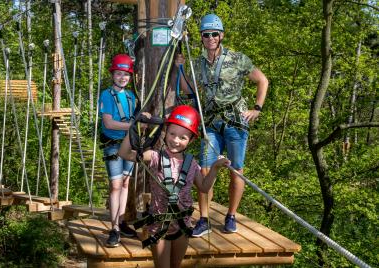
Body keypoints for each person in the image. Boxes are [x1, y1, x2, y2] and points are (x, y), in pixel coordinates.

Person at [175, 14, 269, 237]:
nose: (210, 38)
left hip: (235, 122)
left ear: (221, 35)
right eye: (206, 35)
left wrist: (257, 108)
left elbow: (262, 80)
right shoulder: (196, 64)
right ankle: (204, 218)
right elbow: (189, 91)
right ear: (201, 37)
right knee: (205, 169)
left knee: (236, 170)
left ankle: (231, 215)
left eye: (214, 34)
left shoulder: (237, 59)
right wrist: (179, 70)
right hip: (210, 124)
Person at [118, 105, 230, 268]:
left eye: (183, 137)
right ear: (165, 132)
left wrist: (215, 168)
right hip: (159, 228)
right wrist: (135, 126)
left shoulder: (191, 164)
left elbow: (204, 188)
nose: (176, 140)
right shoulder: (154, 157)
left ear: (191, 140)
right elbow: (124, 153)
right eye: (172, 134)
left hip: (183, 227)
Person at [100, 54, 138, 247]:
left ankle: (121, 222)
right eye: (119, 73)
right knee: (115, 185)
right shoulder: (106, 95)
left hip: (129, 144)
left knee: (125, 183)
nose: (122, 77)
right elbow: (108, 122)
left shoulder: (131, 96)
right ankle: (114, 228)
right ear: (113, 74)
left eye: (126, 74)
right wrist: (133, 126)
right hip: (113, 144)